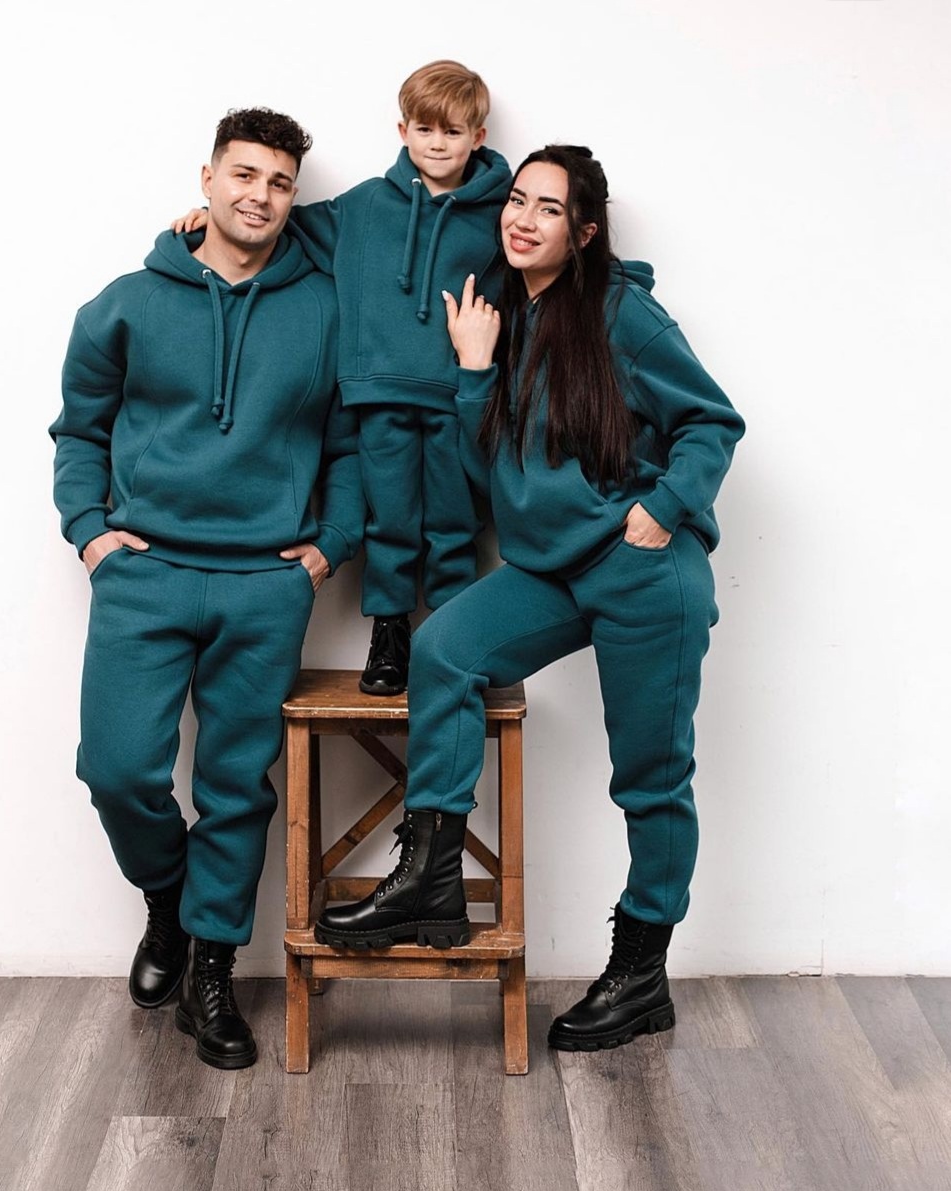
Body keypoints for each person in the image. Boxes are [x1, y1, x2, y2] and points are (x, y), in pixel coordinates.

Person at [315, 146, 746, 1052]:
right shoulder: (504, 317)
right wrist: (474, 369)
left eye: (548, 209)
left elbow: (711, 420)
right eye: (517, 200)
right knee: (445, 648)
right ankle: (431, 881)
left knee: (650, 779)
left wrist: (663, 508)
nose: (522, 218)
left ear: (582, 233)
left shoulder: (623, 312)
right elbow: (488, 472)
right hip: (551, 569)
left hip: (642, 574)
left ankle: (640, 970)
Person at [50, 107, 364, 1069]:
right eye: (243, 175)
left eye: (279, 182)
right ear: (207, 179)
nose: (259, 196)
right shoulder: (125, 303)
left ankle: (212, 975)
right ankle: (168, 905)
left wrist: (329, 546)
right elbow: (79, 431)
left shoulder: (327, 308)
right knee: (118, 769)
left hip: (266, 583)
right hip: (144, 576)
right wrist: (92, 534)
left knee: (234, 788)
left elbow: (352, 444)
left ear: (294, 196)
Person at [174, 61, 512, 696]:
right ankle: (390, 635)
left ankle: (454, 638)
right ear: (402, 130)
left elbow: (546, 253)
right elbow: (282, 225)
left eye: (453, 131)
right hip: (375, 395)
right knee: (390, 521)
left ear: (479, 137)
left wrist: (616, 274)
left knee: (455, 521)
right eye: (425, 129)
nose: (438, 144)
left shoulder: (500, 213)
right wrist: (208, 214)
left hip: (456, 396)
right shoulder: (364, 206)